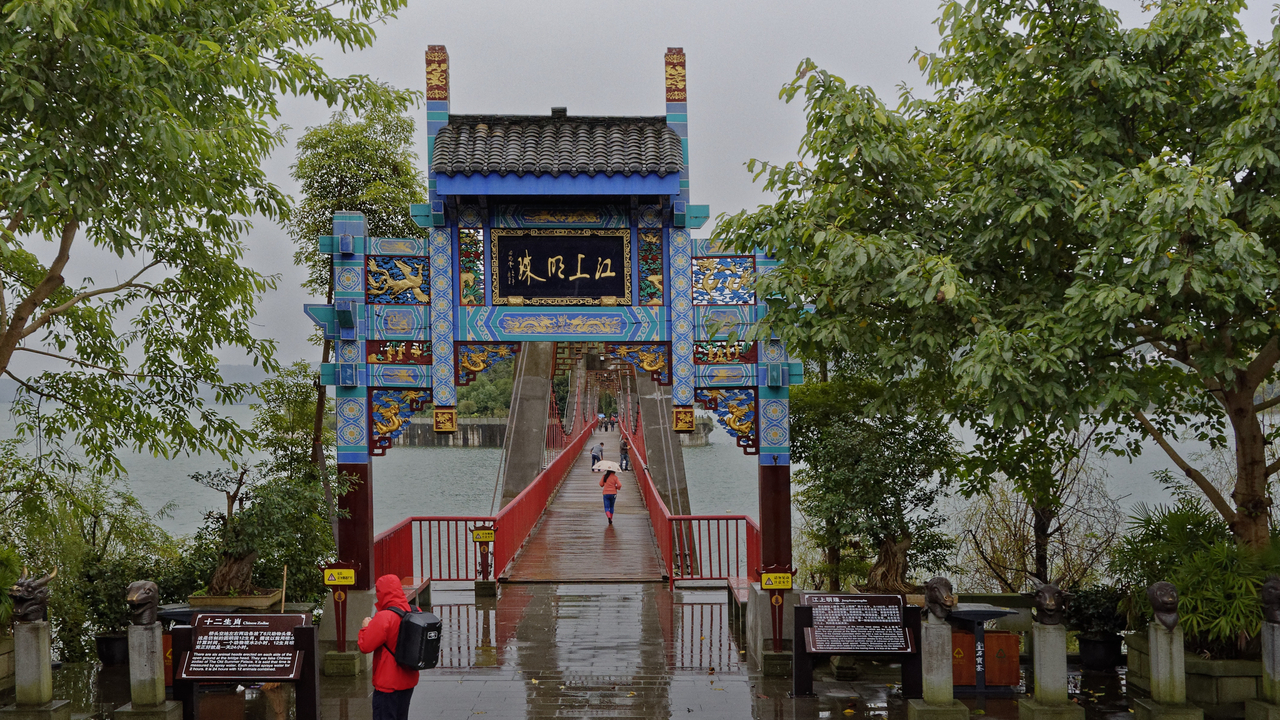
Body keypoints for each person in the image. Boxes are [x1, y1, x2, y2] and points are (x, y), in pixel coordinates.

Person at [358, 574, 419, 720]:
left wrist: (366, 627)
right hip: (408, 680)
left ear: (381, 593)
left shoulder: (385, 617)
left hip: (387, 684)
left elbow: (365, 645)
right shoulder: (415, 611)